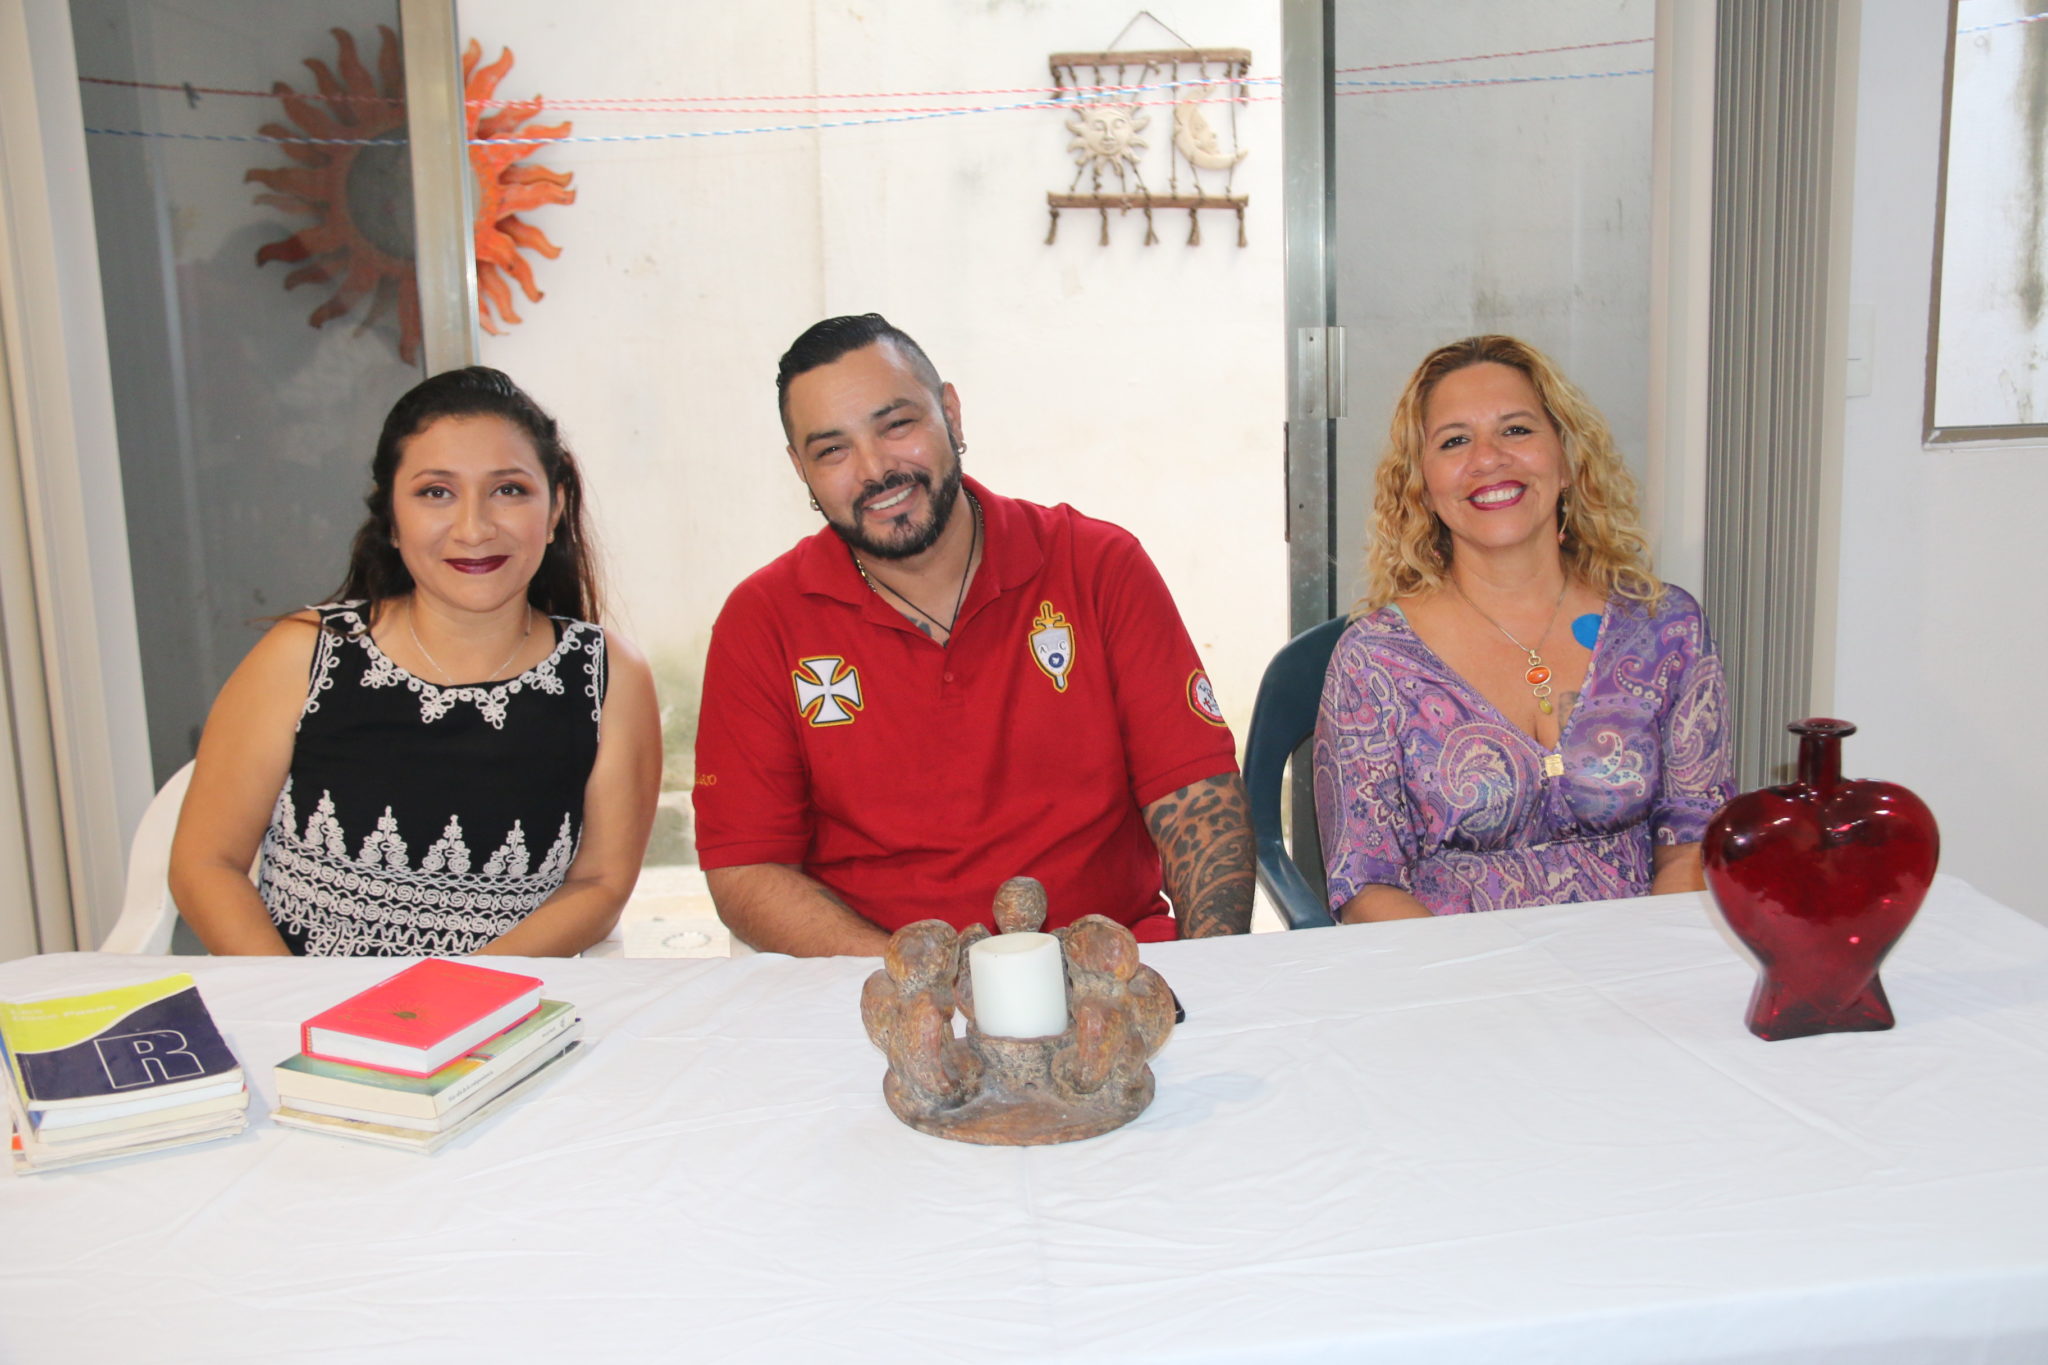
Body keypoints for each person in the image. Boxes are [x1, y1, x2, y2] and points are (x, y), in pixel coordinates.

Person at [692, 313, 1252, 955]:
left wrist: (1208, 974)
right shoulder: (762, 620)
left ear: (951, 415)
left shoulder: (1097, 567)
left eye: (896, 425)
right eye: (833, 451)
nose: (875, 469)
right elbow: (747, 870)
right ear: (800, 469)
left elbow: (1199, 805)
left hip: (1112, 975)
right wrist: (917, 978)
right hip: (875, 985)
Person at [169, 367, 661, 955]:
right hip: (305, 1004)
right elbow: (206, 864)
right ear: (392, 520)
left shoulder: (609, 677)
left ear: (554, 508)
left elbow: (600, 884)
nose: (474, 529)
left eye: (509, 490)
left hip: (502, 1003)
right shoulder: (303, 653)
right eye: (436, 493)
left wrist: (457, 993)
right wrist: (297, 994)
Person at [1314, 335, 1733, 922]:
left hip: (1637, 956)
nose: (1488, 458)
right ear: (1423, 486)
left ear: (1566, 459)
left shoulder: (1666, 628)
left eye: (1515, 430)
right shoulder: (1374, 660)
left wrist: (1649, 958)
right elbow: (1366, 885)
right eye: (1455, 440)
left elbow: (1696, 838)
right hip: (1451, 965)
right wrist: (1483, 979)